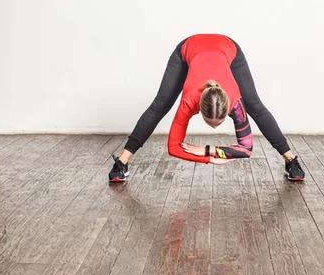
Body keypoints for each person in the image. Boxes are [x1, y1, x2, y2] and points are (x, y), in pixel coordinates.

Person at [108, 34, 305, 182]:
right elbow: (172, 147)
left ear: (228, 107)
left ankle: (290, 159)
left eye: (217, 123)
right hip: (188, 49)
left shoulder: (236, 103)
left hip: (227, 49)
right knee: (160, 105)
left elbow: (246, 150)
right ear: (199, 108)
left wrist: (208, 150)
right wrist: (211, 159)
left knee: (254, 105)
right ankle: (122, 162)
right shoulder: (188, 101)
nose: (214, 128)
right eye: (210, 123)